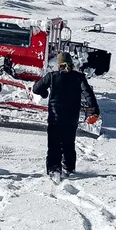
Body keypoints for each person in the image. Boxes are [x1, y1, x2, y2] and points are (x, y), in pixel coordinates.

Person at [32, 51, 100, 182]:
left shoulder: (52, 76)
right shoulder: (79, 77)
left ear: (58, 64)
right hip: (71, 118)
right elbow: (88, 95)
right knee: (69, 143)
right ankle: (68, 168)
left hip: (55, 118)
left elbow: (36, 89)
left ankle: (54, 169)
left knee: (54, 145)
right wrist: (93, 111)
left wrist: (44, 93)